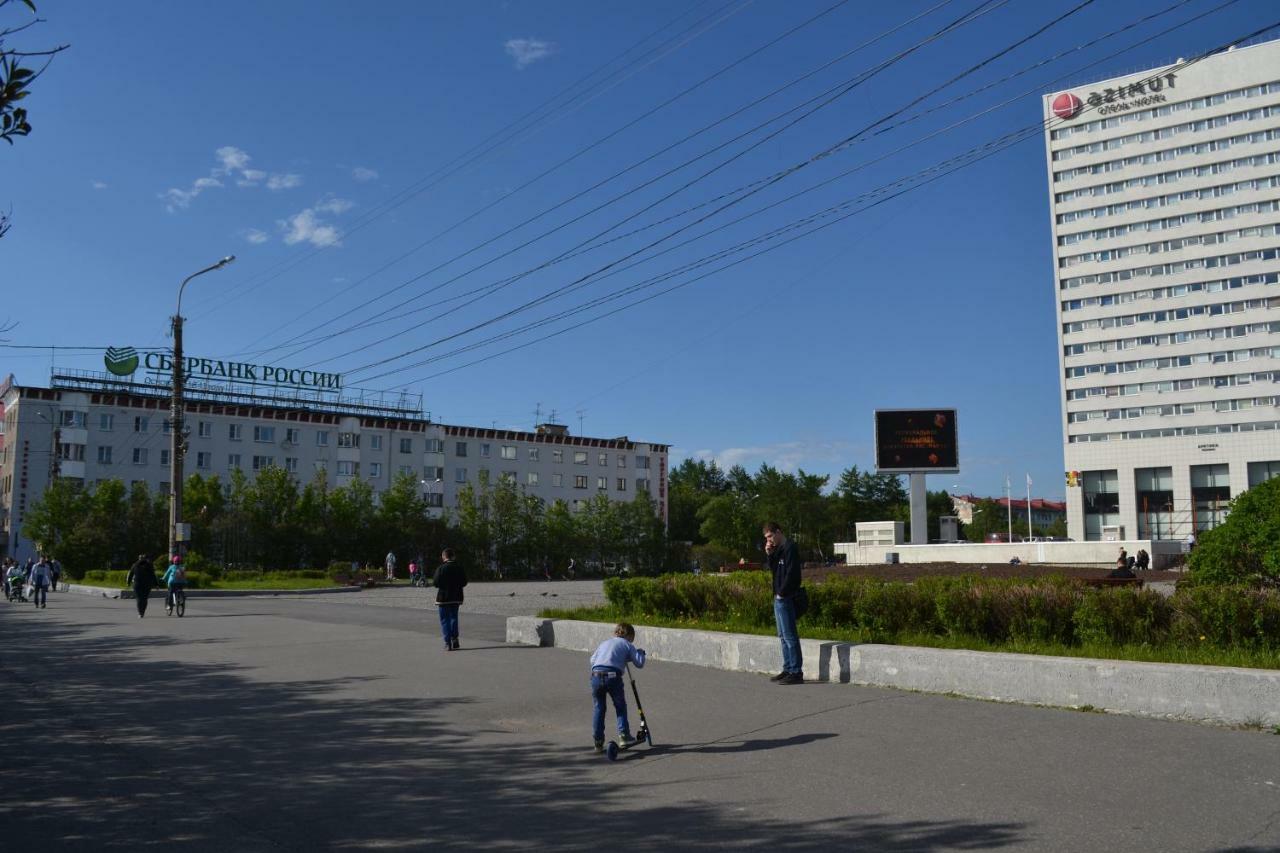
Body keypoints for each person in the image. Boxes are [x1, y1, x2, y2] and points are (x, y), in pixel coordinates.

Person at [589, 622, 646, 753]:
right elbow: (639, 663)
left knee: (599, 708)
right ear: (630, 636)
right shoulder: (628, 644)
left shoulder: (604, 643)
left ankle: (598, 741)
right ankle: (624, 735)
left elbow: (592, 660)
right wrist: (640, 653)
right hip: (613, 677)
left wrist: (616, 658)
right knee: (620, 706)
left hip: (595, 675)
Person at [764, 521, 804, 685]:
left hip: (786, 597)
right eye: (767, 538)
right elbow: (775, 571)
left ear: (778, 532)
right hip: (778, 597)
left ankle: (796, 671)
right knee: (782, 636)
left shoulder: (790, 548)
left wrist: (782, 593)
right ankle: (788, 668)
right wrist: (769, 554)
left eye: (770, 536)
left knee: (789, 636)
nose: (769, 540)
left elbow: (793, 574)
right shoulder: (778, 550)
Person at [433, 548, 467, 651]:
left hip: (443, 597)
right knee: (454, 618)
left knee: (444, 620)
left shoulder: (441, 568)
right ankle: (455, 639)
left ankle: (447, 643)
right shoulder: (459, 568)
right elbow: (464, 582)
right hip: (456, 597)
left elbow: (435, 582)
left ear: (444, 557)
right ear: (453, 556)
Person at [126, 554, 158, 618]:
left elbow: (130, 574)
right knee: (145, 598)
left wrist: (128, 583)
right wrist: (156, 584)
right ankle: (142, 611)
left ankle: (140, 613)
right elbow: (153, 575)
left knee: (139, 598)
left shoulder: (135, 565)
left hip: (137, 584)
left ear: (139, 559)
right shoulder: (149, 565)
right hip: (147, 584)